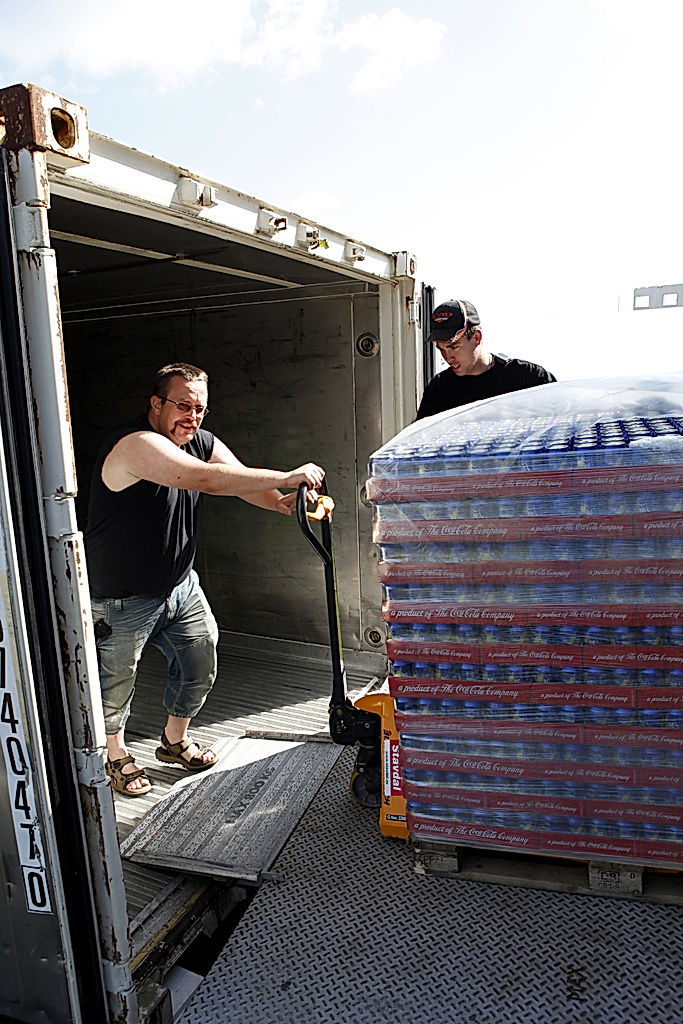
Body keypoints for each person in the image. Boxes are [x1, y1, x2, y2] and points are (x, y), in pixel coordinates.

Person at [85, 362, 324, 796]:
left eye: (200, 409)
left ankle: (173, 742)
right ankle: (113, 754)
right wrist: (288, 474)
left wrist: (281, 503)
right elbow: (207, 480)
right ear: (156, 404)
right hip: (122, 597)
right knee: (114, 683)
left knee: (200, 661)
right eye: (183, 406)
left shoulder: (199, 442)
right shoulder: (135, 444)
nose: (191, 417)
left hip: (179, 587)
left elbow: (235, 477)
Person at [416, 299, 556, 419]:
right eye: (441, 349)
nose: (448, 358)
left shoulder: (530, 379)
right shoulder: (439, 390)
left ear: (477, 337)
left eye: (454, 347)